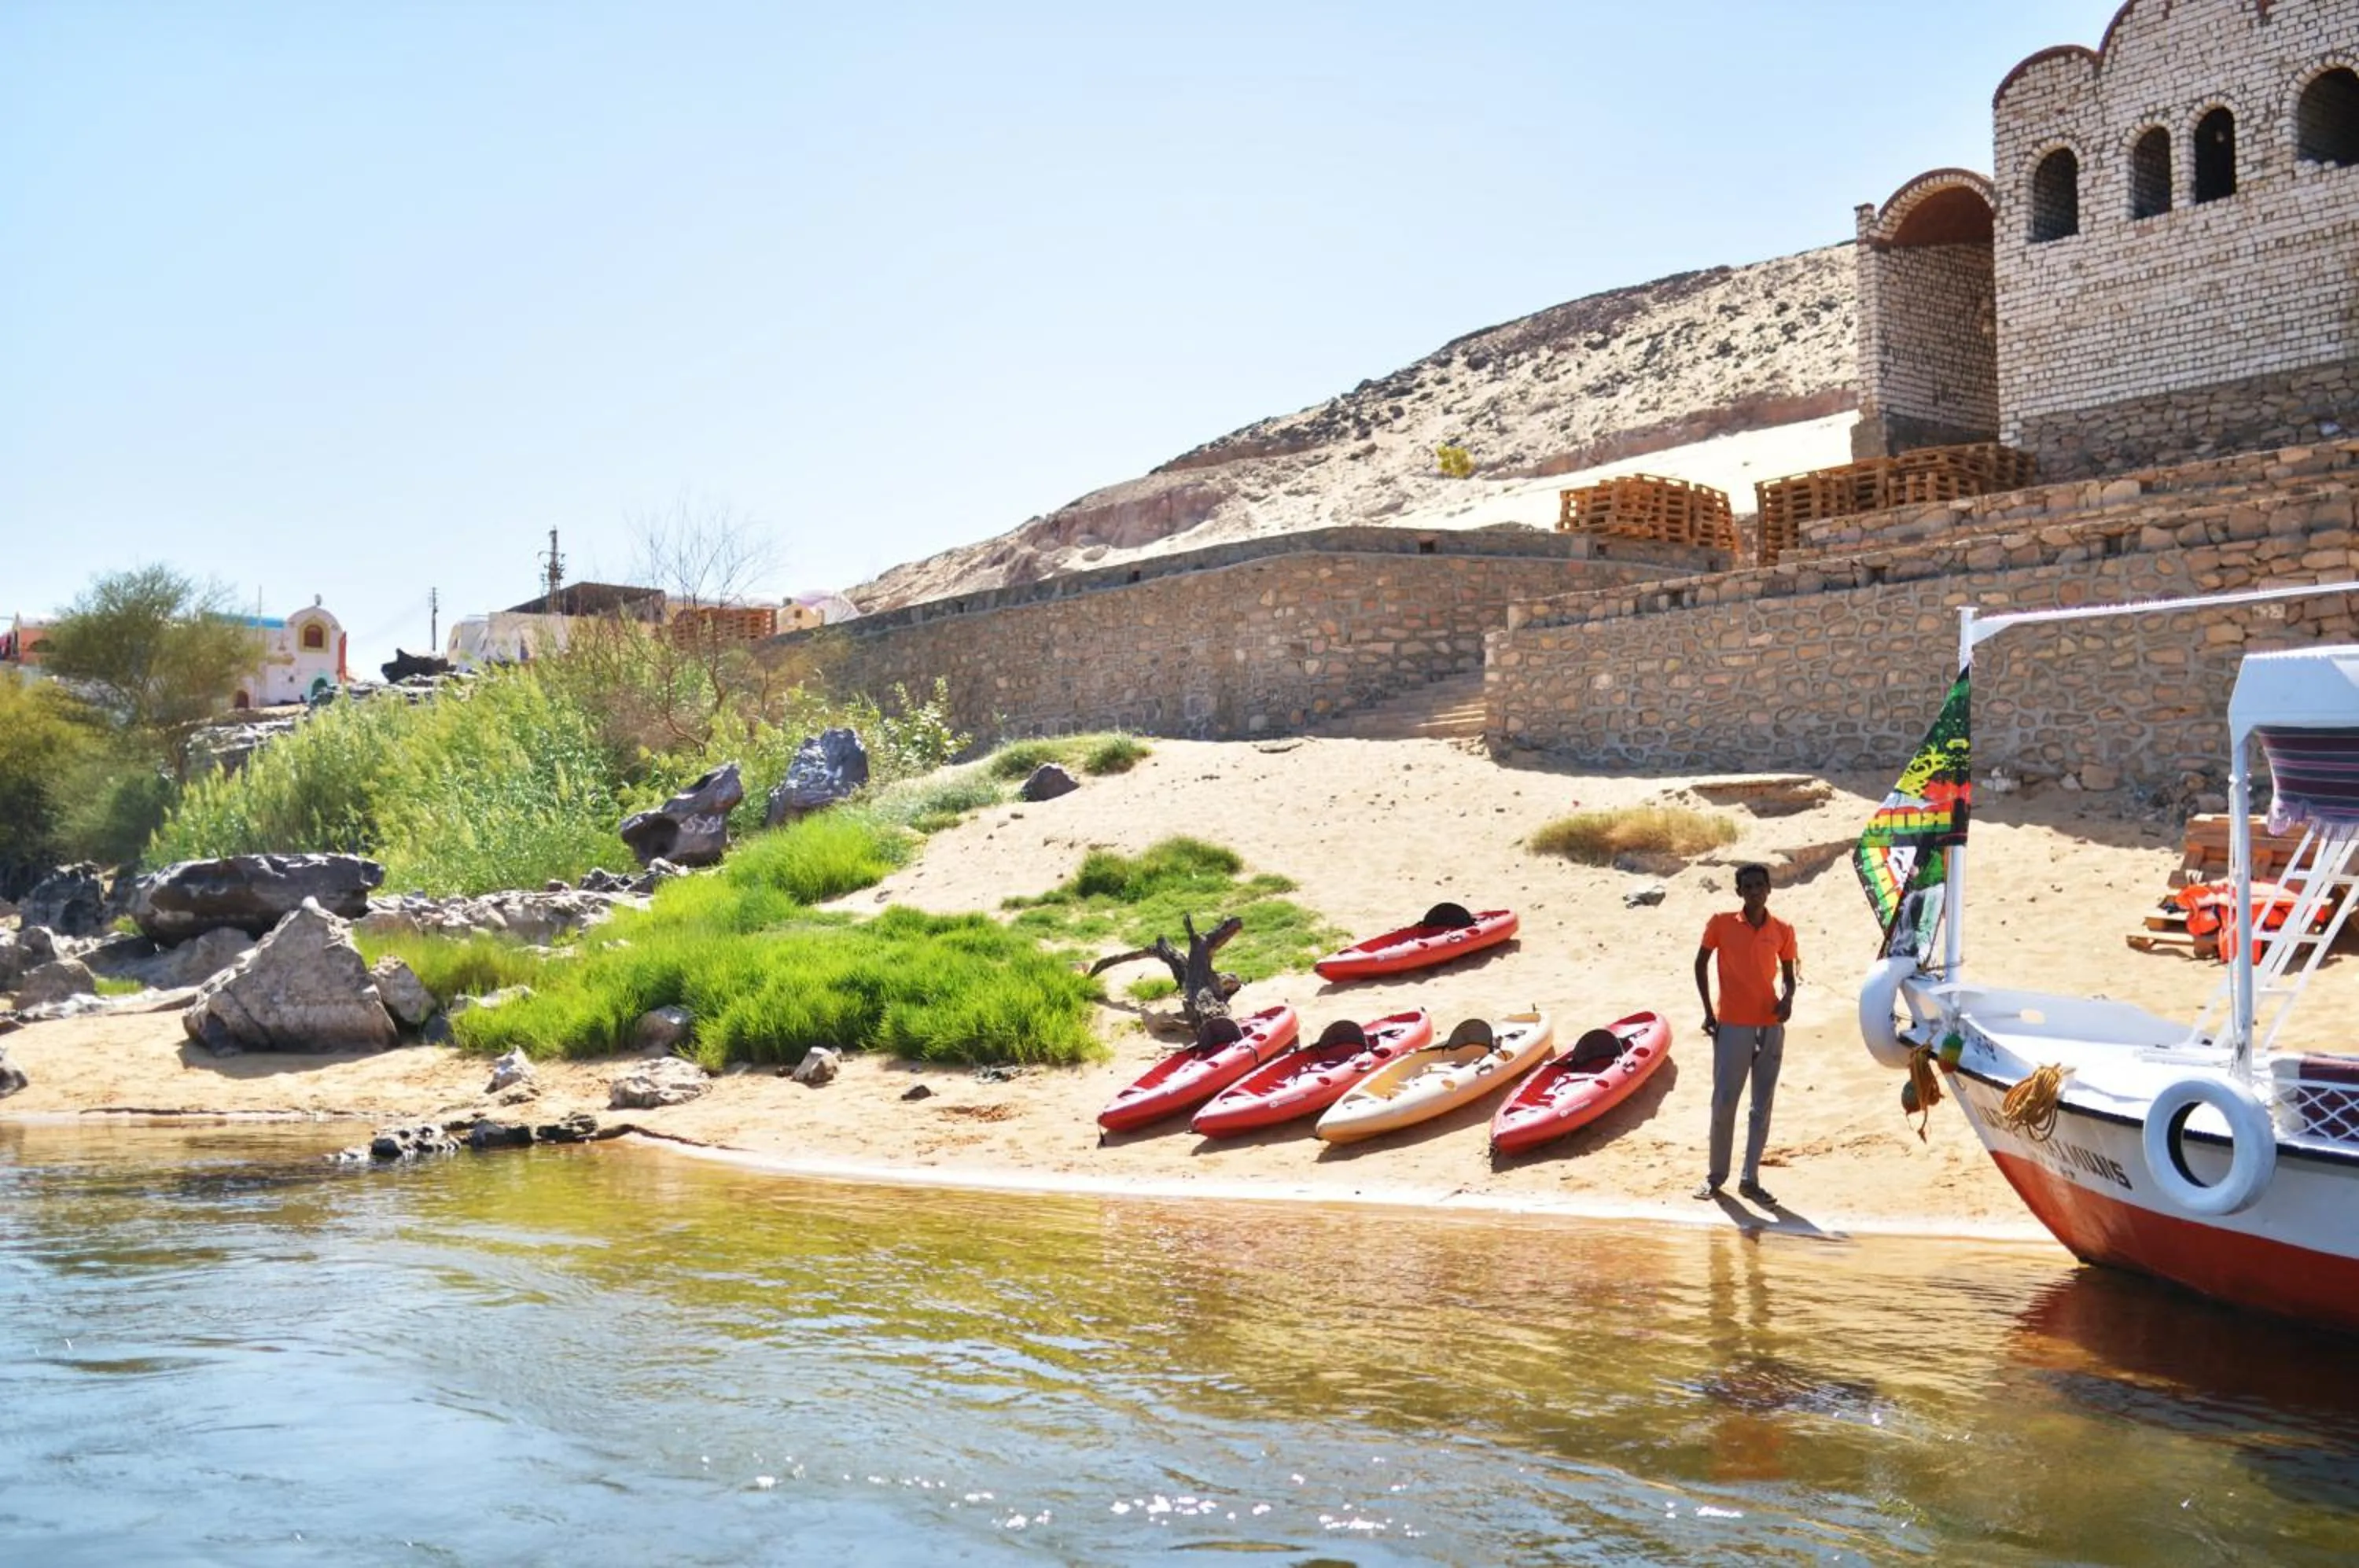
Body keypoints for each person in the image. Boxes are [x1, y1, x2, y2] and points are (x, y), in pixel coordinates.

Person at [1692, 863, 1798, 1207]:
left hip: (1770, 1026)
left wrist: (1788, 999)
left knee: (1761, 1106)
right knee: (1724, 1102)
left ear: (1769, 889)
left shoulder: (1782, 929)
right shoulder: (1721, 923)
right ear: (1739, 892)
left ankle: (1750, 1179)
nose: (1755, 891)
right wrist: (1709, 1012)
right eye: (1748, 886)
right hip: (1733, 1025)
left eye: (1760, 885)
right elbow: (1700, 964)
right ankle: (1715, 1178)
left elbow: (1789, 975)